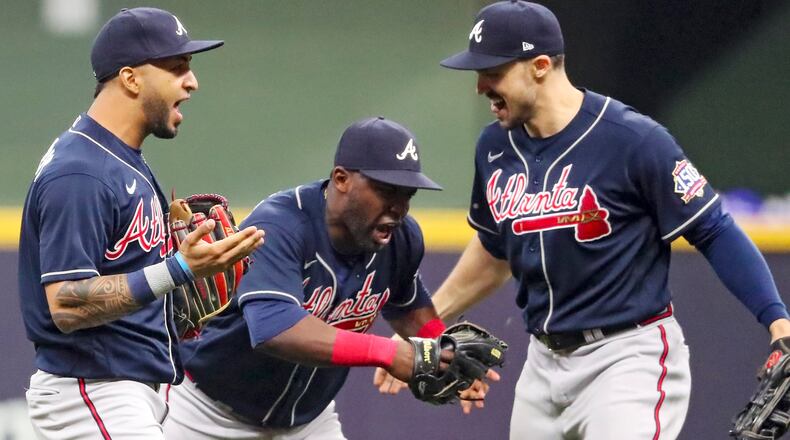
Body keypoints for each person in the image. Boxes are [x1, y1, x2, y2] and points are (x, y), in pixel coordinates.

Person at [428, 1, 790, 438]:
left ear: (540, 65)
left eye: (493, 72)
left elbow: (712, 228)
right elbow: (493, 249)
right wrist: (426, 323)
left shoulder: (633, 139)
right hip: (542, 364)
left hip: (626, 357)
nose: (481, 86)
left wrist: (778, 323)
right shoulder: (495, 147)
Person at [18, 8, 264, 439]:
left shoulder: (120, 160)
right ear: (131, 79)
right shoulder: (82, 172)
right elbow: (65, 305)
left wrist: (172, 303)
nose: (191, 82)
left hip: (124, 391)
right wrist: (179, 270)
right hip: (91, 391)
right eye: (177, 67)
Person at [162, 117, 486, 439]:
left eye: (407, 194)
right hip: (206, 414)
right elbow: (277, 331)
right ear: (342, 179)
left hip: (308, 424)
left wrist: (447, 352)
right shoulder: (280, 225)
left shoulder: (400, 238)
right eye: (386, 190)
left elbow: (407, 305)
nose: (399, 207)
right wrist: (390, 354)